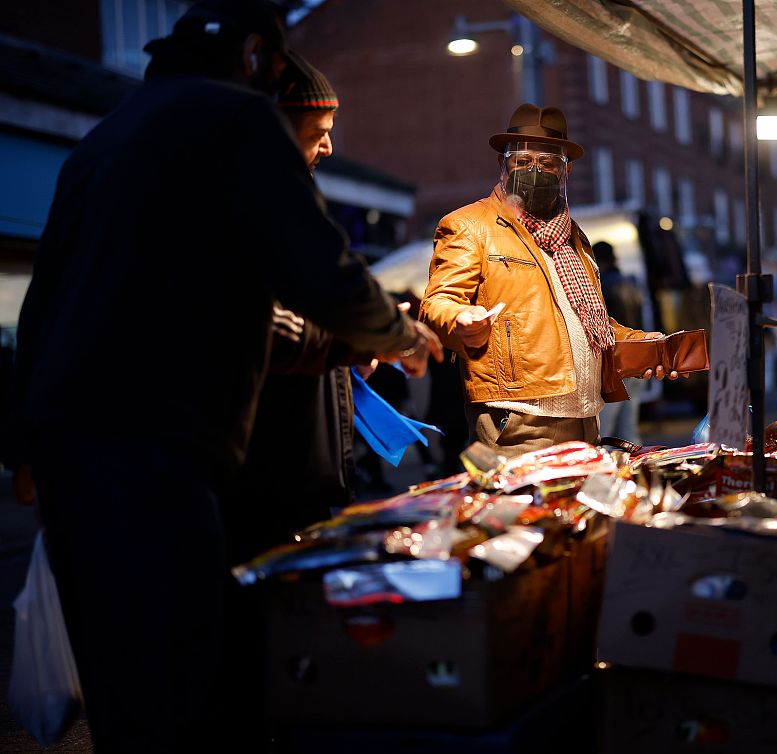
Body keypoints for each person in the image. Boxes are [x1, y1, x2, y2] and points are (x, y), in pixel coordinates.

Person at [5, 2, 438, 750]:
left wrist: (23, 446)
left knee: (122, 689)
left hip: (72, 461)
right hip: (157, 457)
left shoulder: (103, 140)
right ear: (252, 55)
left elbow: (46, 302)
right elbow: (322, 270)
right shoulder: (237, 123)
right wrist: (401, 334)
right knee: (189, 689)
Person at [421, 104, 678, 458]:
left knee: (586, 513)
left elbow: (589, 323)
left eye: (548, 163)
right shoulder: (470, 225)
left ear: (566, 170)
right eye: (522, 160)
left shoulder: (575, 237)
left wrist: (643, 343)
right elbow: (437, 303)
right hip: (519, 419)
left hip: (587, 418)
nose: (534, 170)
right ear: (502, 163)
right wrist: (461, 319)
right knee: (526, 512)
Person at [594, 240, 648, 443]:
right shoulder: (629, 283)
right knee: (629, 431)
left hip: (616, 365)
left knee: (605, 432)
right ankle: (636, 474)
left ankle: (611, 473)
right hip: (636, 363)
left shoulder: (600, 286)